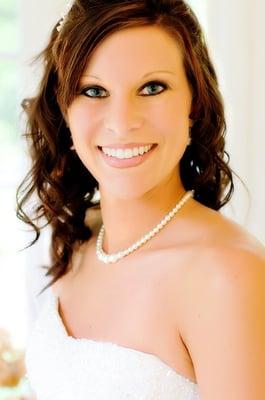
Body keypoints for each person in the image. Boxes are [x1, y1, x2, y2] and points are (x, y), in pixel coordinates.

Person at [16, 1, 265, 399]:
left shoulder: (228, 277)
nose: (121, 122)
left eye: (152, 88)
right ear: (65, 109)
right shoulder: (78, 237)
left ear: (194, 103)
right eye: (94, 91)